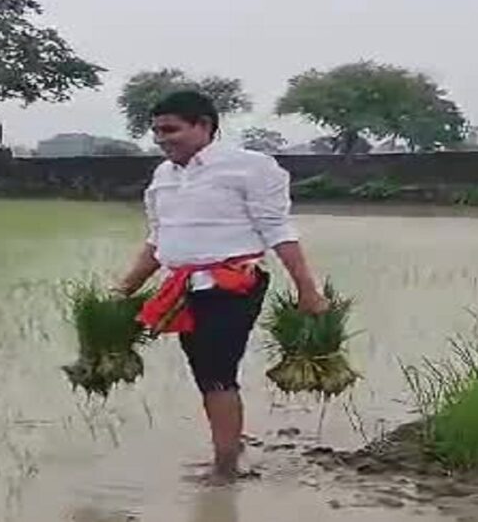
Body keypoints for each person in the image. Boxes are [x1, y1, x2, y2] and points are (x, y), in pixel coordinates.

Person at [113, 90, 328, 482]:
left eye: (171, 129)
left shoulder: (250, 167)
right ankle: (229, 447)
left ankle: (226, 468)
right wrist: (122, 290)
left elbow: (278, 229)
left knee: (216, 372)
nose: (161, 139)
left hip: (233, 284)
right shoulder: (164, 176)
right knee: (204, 372)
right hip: (184, 289)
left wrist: (307, 290)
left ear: (204, 126)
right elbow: (159, 240)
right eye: (156, 131)